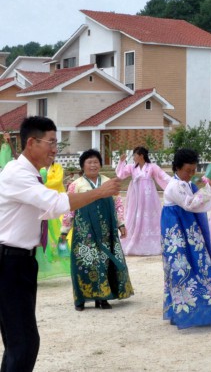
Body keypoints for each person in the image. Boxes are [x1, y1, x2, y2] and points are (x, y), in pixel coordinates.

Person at [0, 116, 120, 371]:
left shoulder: (29, 174)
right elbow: (55, 204)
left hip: (19, 261)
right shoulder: (17, 174)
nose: (55, 149)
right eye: (51, 142)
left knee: (18, 342)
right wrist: (100, 191)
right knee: (23, 343)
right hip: (10, 262)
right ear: (31, 143)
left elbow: (44, 212)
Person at [161, 148, 211, 329]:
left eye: (193, 170)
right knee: (180, 268)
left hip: (189, 229)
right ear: (177, 168)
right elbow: (190, 204)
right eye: (188, 171)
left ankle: (199, 306)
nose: (191, 174)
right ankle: (182, 310)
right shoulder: (174, 186)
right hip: (177, 231)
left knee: (199, 263)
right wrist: (209, 188)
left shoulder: (184, 183)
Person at [60, 149, 133, 311]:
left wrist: (121, 224)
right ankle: (81, 299)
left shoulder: (108, 182)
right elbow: (69, 209)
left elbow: (118, 204)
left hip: (106, 230)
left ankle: (103, 297)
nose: (93, 165)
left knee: (104, 262)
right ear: (83, 166)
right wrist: (64, 231)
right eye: (89, 162)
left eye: (96, 162)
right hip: (84, 232)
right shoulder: (75, 185)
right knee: (84, 263)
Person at [116, 146, 171, 256]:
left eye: (135, 155)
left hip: (148, 196)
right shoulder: (132, 167)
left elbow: (163, 177)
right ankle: (133, 239)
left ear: (141, 155)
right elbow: (120, 175)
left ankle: (150, 240)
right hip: (136, 196)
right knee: (134, 215)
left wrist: (174, 184)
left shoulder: (152, 167)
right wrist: (121, 161)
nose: (134, 157)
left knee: (149, 215)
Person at [35, 163, 70, 279]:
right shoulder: (37, 166)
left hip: (55, 199)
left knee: (57, 228)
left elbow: (57, 181)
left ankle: (57, 253)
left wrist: (42, 186)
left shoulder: (57, 167)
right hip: (42, 201)